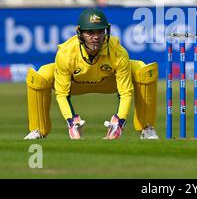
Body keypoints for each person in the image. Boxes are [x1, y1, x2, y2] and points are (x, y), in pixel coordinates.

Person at [24, 8, 159, 140]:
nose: (96, 37)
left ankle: (147, 128)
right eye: (90, 32)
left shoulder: (118, 52)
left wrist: (119, 121)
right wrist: (71, 122)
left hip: (109, 82)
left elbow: (125, 93)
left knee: (142, 70)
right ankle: (38, 130)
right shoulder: (66, 53)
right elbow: (62, 94)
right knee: (41, 77)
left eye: (100, 32)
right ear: (80, 34)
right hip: (75, 83)